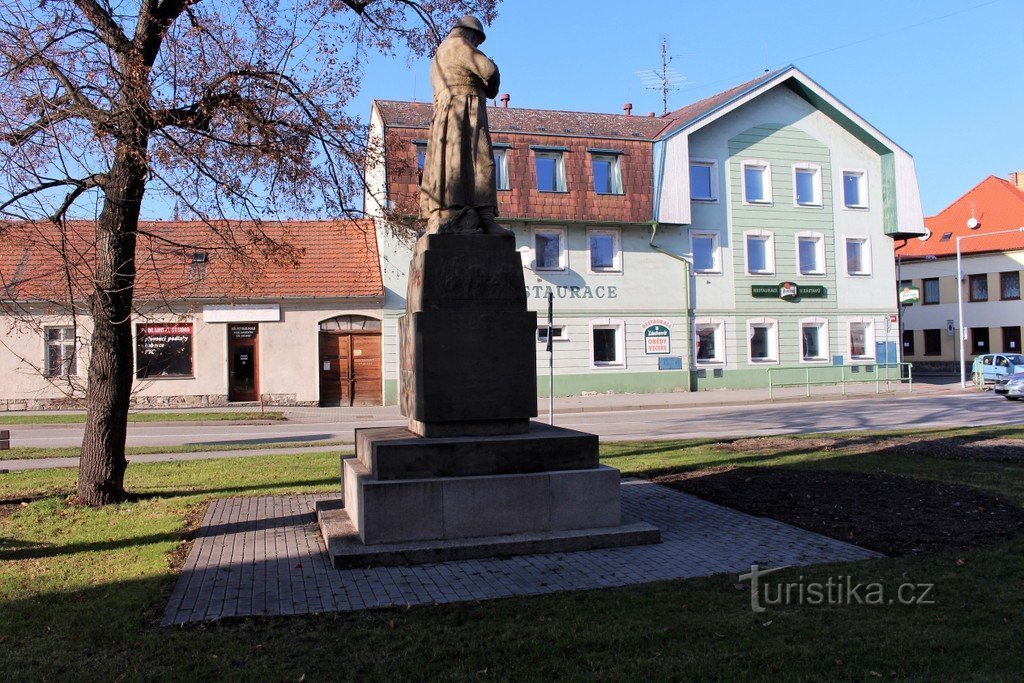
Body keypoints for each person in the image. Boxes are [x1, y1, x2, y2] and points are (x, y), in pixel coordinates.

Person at [419, 15, 512, 236]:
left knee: (449, 164)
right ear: (470, 33)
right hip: (466, 110)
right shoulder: (460, 45)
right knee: (481, 161)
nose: (476, 46)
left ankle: (449, 211)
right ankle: (484, 218)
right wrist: (493, 77)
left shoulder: (436, 58)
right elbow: (488, 70)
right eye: (477, 42)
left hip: (443, 115)